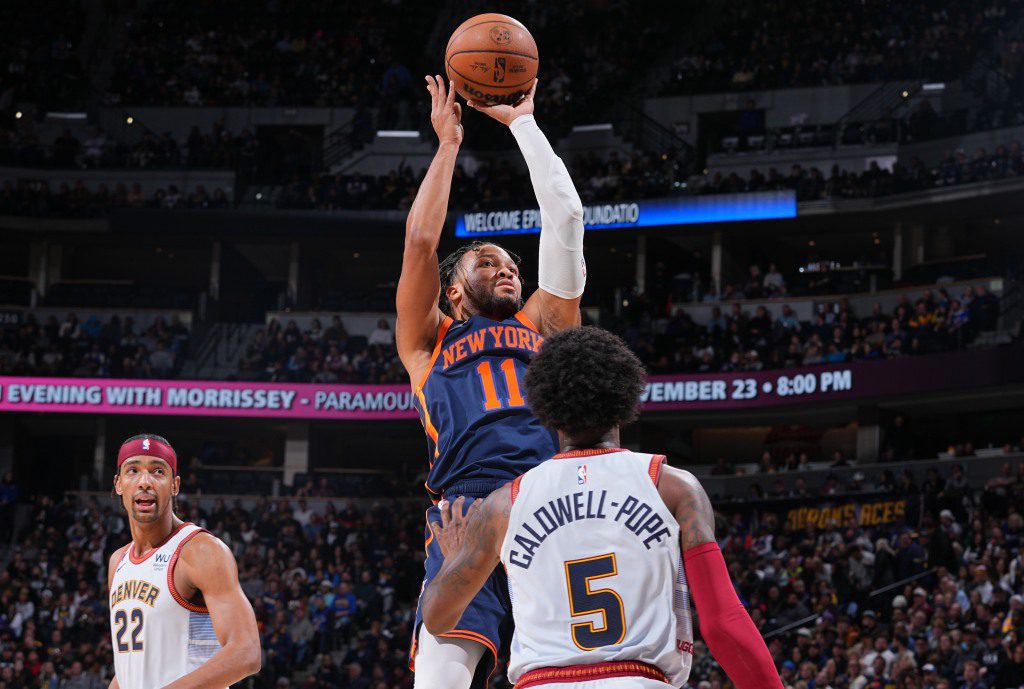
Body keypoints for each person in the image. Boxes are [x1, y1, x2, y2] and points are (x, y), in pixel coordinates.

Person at [421, 327, 782, 689]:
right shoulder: (672, 486)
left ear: (544, 410)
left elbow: (438, 619)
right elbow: (723, 623)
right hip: (640, 679)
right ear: (624, 398)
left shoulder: (503, 504)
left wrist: (453, 562)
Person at [396, 74, 586, 689]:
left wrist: (523, 125)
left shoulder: (544, 321)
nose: (507, 269)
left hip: (550, 502)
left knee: (567, 678)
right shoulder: (428, 342)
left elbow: (566, 218)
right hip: (465, 510)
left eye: (511, 264)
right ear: (453, 289)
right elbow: (422, 241)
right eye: (488, 262)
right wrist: (448, 145)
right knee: (441, 680)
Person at [108, 434, 261, 689]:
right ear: (119, 484)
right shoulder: (118, 561)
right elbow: (130, 669)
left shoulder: (200, 551)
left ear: (175, 485)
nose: (144, 481)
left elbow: (246, 651)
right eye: (132, 470)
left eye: (158, 471)